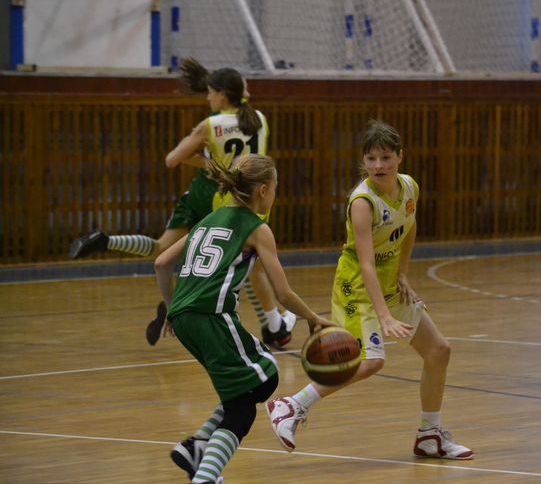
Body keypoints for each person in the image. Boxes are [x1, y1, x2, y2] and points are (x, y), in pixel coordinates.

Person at [266, 120, 474, 460]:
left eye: (386, 157)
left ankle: (430, 435)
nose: (378, 165)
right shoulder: (362, 202)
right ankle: (291, 405)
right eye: (371, 158)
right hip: (357, 289)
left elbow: (409, 226)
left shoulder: (409, 187)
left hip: (389, 282)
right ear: (363, 161)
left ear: (400, 156)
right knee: (370, 361)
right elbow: (366, 264)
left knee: (439, 350)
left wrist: (403, 272)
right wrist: (384, 316)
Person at [68, 58, 295, 348]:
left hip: (205, 193)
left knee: (163, 249)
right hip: (237, 198)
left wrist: (208, 163)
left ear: (221, 94)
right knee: (250, 264)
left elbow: (172, 159)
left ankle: (109, 241)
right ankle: (273, 326)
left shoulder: (211, 126)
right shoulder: (259, 119)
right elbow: (241, 97)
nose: (207, 97)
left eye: (210, 93)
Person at [155, 154, 333, 484]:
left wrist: (170, 308)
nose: (276, 193)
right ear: (263, 190)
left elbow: (161, 262)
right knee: (254, 394)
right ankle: (205, 475)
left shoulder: (209, 219)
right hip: (211, 315)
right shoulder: (257, 228)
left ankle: (198, 447)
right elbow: (283, 293)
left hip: (183, 318)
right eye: (276, 187)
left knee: (250, 385)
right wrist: (313, 318)